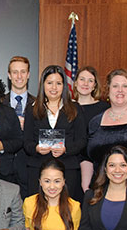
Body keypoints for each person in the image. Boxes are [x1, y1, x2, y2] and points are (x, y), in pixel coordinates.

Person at [24, 64, 87, 202]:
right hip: (38, 168)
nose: (54, 87)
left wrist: (66, 149)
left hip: (68, 168)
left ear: (64, 86)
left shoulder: (75, 108)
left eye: (58, 83)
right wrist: (36, 149)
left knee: (66, 211)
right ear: (43, 85)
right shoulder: (31, 109)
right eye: (50, 83)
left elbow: (82, 140)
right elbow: (26, 141)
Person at [2, 56, 36, 199]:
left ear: (28, 75)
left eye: (23, 72)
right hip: (4, 167)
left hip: (28, 166)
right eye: (15, 72)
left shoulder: (39, 104)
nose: (19, 76)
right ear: (9, 75)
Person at [72, 66, 109, 192]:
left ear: (94, 86)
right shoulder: (67, 107)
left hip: (95, 163)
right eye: (82, 79)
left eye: (90, 80)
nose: (85, 84)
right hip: (71, 162)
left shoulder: (104, 108)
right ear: (75, 83)